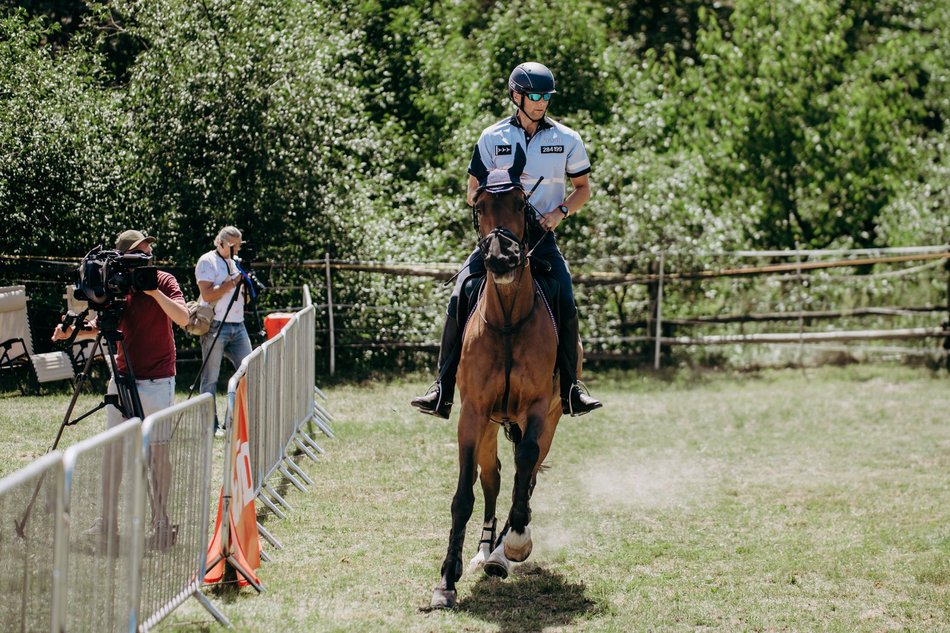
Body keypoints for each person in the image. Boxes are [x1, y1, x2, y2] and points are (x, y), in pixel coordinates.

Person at [411, 61, 602, 419]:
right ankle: (441, 387)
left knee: (564, 292)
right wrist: (500, 192)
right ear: (516, 96)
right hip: (498, 240)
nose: (541, 102)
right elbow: (472, 192)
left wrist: (559, 212)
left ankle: (572, 388)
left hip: (541, 240)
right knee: (460, 292)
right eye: (534, 95)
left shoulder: (567, 139)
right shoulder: (491, 137)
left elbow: (584, 189)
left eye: (546, 96)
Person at [53, 229, 190, 551]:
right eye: (140, 254)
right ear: (123, 257)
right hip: (124, 375)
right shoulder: (114, 286)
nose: (147, 260)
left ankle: (160, 521)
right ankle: (107, 523)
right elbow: (103, 327)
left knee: (157, 453)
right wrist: (72, 331)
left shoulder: (163, 280)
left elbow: (183, 318)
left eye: (148, 255)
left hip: (158, 379)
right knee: (113, 454)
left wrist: (154, 291)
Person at [194, 226, 252, 438]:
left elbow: (242, 298)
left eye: (239, 245)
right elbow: (207, 295)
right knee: (210, 378)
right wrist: (233, 282)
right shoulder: (207, 261)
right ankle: (210, 427)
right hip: (216, 325)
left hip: (238, 324)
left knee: (248, 372)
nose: (237, 249)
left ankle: (232, 422)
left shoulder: (235, 263)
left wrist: (246, 286)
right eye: (233, 245)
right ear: (220, 243)